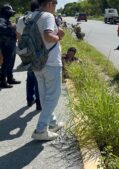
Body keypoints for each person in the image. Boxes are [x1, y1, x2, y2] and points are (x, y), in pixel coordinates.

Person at [31, 0, 65, 141]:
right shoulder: (48, 16)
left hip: (36, 62)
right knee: (53, 96)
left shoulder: (29, 17)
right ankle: (41, 129)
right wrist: (60, 36)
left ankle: (52, 123)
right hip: (50, 62)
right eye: (55, 3)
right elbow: (48, 36)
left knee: (45, 95)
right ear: (50, 3)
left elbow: (19, 36)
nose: (55, 7)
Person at [16, 0, 41, 110]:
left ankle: (29, 99)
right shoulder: (41, 17)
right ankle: (39, 102)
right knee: (39, 78)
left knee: (30, 76)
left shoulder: (22, 19)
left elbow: (17, 35)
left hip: (26, 52)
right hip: (38, 52)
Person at [0, 4, 21, 88]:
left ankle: (10, 78)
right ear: (5, 12)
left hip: (10, 45)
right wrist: (12, 27)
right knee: (6, 63)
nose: (11, 14)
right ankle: (2, 81)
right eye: (10, 12)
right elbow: (2, 29)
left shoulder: (6, 19)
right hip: (5, 45)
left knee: (10, 63)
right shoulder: (1, 20)